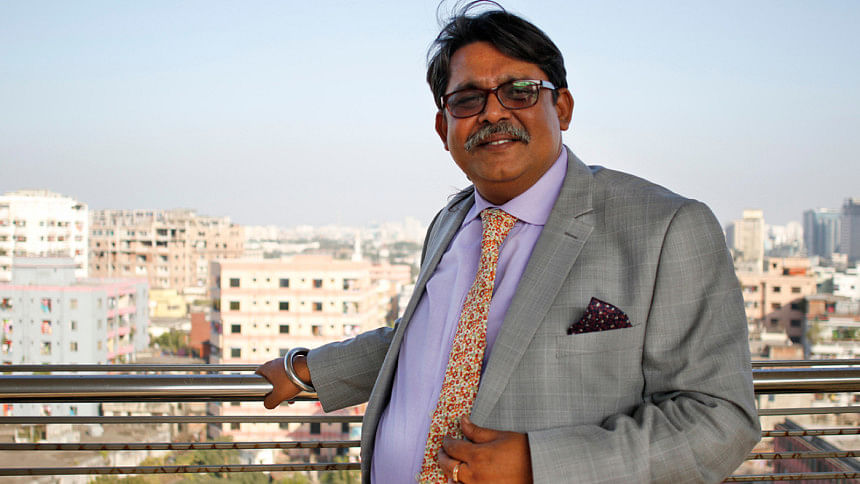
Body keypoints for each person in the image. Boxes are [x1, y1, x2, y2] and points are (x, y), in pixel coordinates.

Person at [256, 3, 760, 483]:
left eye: (519, 92)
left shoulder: (665, 227)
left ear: (562, 107)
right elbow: (432, 338)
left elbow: (719, 420)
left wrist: (540, 468)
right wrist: (310, 369)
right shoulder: (450, 222)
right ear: (444, 127)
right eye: (468, 99)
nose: (493, 112)